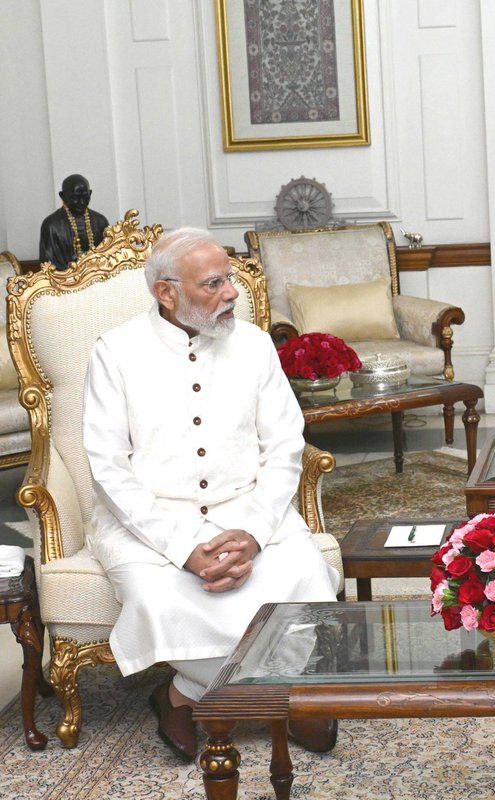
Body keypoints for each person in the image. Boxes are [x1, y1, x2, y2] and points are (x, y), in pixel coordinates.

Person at [82, 228, 339, 761]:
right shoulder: (115, 352)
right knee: (158, 599)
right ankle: (283, 700)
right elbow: (108, 466)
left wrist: (254, 532)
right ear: (166, 292)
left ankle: (180, 694)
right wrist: (182, 549)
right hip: (150, 519)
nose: (232, 293)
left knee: (306, 577)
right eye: (214, 283)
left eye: (230, 279)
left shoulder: (255, 344)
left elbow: (286, 445)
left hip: (249, 508)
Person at [39, 174, 110, 270]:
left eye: (85, 197)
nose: (81, 202)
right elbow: (48, 266)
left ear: (90, 193)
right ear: (62, 196)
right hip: (66, 278)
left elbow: (108, 257)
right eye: (75, 198)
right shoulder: (51, 225)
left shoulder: (101, 222)